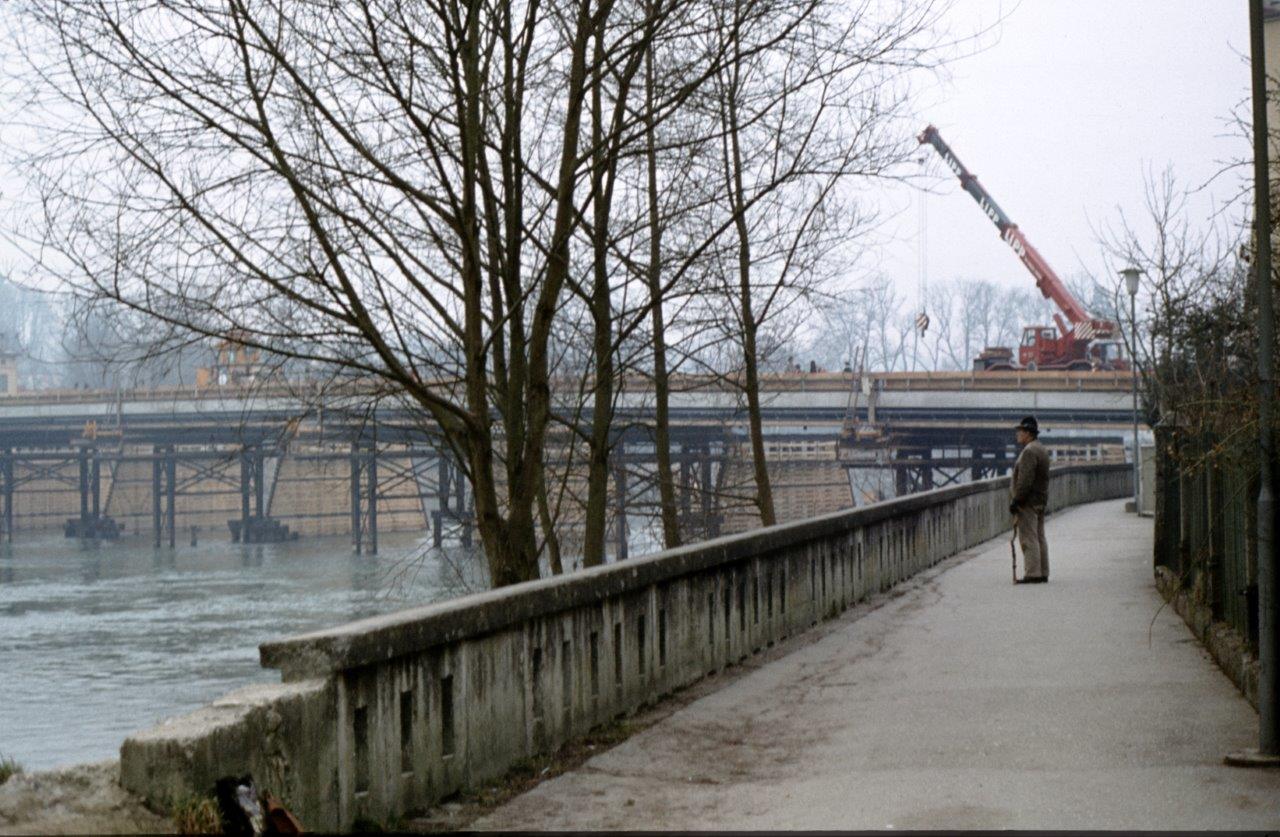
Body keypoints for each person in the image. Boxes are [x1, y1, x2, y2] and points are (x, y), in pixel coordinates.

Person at [1010, 415, 1050, 583]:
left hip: (1028, 502)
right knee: (1039, 536)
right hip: (1040, 499)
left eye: (1020, 431)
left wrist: (1016, 500)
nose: (1017, 434)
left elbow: (1025, 481)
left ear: (1028, 433)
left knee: (1028, 537)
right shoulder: (1041, 449)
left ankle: (1032, 573)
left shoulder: (1028, 451)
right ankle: (1043, 572)